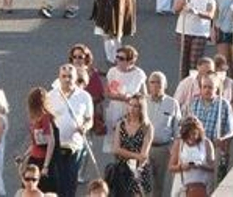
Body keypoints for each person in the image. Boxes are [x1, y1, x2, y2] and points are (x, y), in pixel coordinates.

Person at [46, 61, 94, 197]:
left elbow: (89, 119)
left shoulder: (84, 96)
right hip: (56, 145)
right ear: (59, 77)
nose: (67, 79)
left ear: (75, 78)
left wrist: (85, 127)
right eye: (64, 76)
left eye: (70, 76)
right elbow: (45, 119)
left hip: (75, 145)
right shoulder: (50, 96)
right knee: (57, 181)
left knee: (71, 180)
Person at [105, 94, 153, 197]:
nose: (132, 109)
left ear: (141, 109)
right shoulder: (121, 124)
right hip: (121, 169)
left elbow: (143, 156)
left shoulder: (147, 127)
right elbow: (116, 149)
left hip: (139, 169)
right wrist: (135, 155)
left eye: (136, 106)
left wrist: (126, 153)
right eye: (130, 105)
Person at [174, 0, 215, 81]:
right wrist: (182, 4)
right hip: (183, 30)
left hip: (200, 32)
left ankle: (195, 84)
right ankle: (184, 85)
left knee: (195, 62)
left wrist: (197, 12)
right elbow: (176, 9)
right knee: (183, 62)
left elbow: (211, 14)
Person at [144, 72, 179, 197]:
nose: (155, 85)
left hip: (163, 149)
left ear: (165, 85)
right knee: (144, 182)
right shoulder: (143, 101)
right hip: (145, 148)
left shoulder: (172, 103)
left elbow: (177, 130)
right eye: (152, 82)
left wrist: (174, 150)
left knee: (158, 184)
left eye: (158, 82)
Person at [168, 118, 217, 197]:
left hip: (202, 186)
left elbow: (213, 167)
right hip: (182, 187)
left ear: (199, 132)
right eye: (188, 135)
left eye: (194, 134)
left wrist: (200, 166)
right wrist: (182, 167)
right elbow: (171, 167)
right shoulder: (179, 143)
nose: (191, 137)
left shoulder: (206, 143)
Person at [22, 86, 58, 179]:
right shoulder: (34, 119)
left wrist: (46, 166)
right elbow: (35, 143)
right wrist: (24, 156)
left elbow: (51, 141)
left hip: (43, 159)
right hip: (34, 158)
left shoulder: (44, 118)